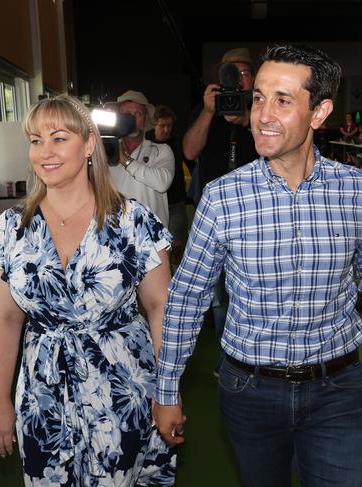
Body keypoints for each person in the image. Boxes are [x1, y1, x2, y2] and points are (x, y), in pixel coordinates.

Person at [154, 44, 362, 487]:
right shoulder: (222, 197)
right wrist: (166, 389)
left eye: (283, 101)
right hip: (250, 390)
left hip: (338, 389)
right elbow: (187, 298)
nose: (263, 114)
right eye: (258, 98)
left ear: (320, 112)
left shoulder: (354, 190)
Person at [0, 94, 176, 486]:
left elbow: (160, 308)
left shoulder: (133, 221)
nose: (44, 152)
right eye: (36, 141)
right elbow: (4, 320)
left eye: (58, 138)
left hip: (124, 392)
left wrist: (169, 395)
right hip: (43, 398)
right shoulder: (11, 228)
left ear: (88, 144)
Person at [182, 47, 259, 363]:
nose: (238, 79)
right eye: (232, 73)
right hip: (216, 214)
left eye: (244, 72)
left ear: (253, 77)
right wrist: (207, 111)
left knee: (255, 288)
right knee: (219, 294)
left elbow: (279, 151)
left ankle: (254, 354)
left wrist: (246, 120)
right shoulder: (206, 110)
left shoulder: (262, 109)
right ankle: (230, 358)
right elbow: (189, 151)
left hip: (257, 212)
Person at [109, 90, 175, 225]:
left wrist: (125, 160)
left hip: (153, 240)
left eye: (137, 113)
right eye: (126, 114)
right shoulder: (106, 152)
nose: (131, 119)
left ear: (145, 119)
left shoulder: (161, 150)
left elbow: (162, 183)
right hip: (117, 237)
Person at [146, 105, 189, 268]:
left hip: (175, 204)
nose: (166, 130)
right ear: (154, 124)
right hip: (153, 204)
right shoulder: (145, 142)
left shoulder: (177, 141)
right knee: (155, 253)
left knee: (177, 251)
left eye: (169, 126)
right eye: (162, 125)